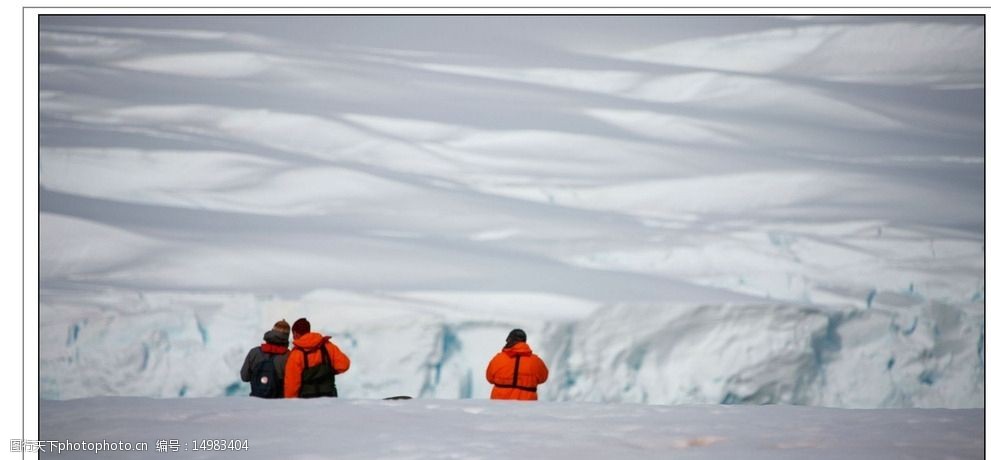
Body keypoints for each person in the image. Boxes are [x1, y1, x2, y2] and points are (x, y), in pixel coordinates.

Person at [284, 317, 351, 398]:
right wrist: (330, 371)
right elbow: (344, 365)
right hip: (329, 397)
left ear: (295, 333)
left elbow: (292, 385)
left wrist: (290, 403)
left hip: (306, 401)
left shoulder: (296, 354)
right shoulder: (327, 346)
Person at [486, 329, 549, 401]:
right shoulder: (536, 361)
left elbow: (489, 378)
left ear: (510, 340)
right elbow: (544, 378)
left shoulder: (498, 359)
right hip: (526, 407)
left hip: (499, 407)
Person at [240, 319, 292, 398]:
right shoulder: (288, 356)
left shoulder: (254, 352)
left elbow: (245, 377)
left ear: (272, 332)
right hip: (278, 404)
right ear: (286, 337)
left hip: (256, 400)